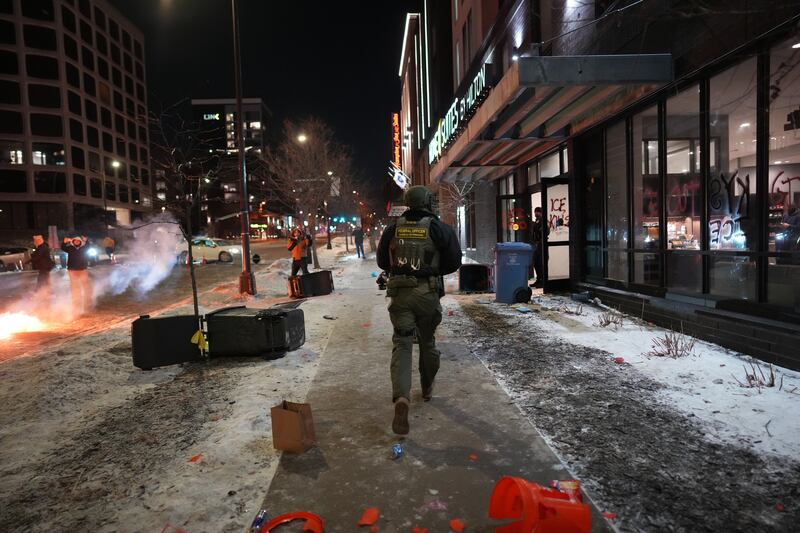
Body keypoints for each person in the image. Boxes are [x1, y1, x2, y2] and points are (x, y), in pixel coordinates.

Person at [377, 185, 462, 435]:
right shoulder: (439, 229)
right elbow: (454, 261)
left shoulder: (392, 228)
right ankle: (426, 387)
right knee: (427, 342)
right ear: (428, 202)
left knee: (402, 344)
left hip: (400, 295)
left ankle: (401, 398)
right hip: (427, 294)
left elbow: (383, 262)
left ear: (408, 202)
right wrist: (431, 269)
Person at [61, 236, 93, 315]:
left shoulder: (83, 248)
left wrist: (87, 240)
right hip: (72, 270)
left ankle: (87, 303)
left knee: (85, 286)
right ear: (73, 242)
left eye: (78, 241)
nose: (77, 242)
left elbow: (88, 246)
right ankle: (76, 302)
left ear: (80, 242)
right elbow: (63, 247)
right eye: (75, 241)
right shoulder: (70, 248)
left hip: (82, 270)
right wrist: (64, 242)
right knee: (74, 287)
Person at [530, 207, 546, 288]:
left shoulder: (543, 220)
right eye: (535, 212)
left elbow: (545, 231)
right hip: (536, 244)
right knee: (536, 263)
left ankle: (542, 281)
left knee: (540, 263)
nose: (535, 214)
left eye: (536, 212)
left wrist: (540, 240)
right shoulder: (537, 221)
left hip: (540, 244)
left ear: (540, 212)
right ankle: (538, 279)